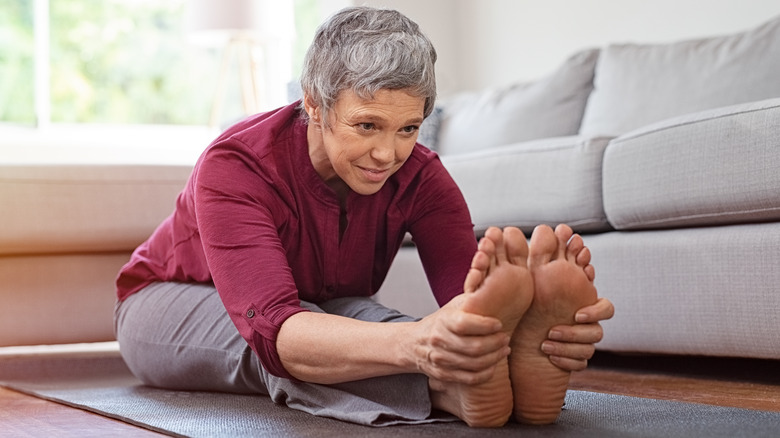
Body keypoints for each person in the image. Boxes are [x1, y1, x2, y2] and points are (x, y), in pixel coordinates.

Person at [114, 6, 614, 428]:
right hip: (172, 301)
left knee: (379, 325)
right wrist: (421, 344)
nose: (387, 153)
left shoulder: (423, 176)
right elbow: (275, 328)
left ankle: (477, 377)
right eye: (367, 125)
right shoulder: (236, 165)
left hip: (321, 305)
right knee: (301, 349)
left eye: (408, 128)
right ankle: (445, 391)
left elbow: (469, 305)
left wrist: (530, 333)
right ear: (315, 104)